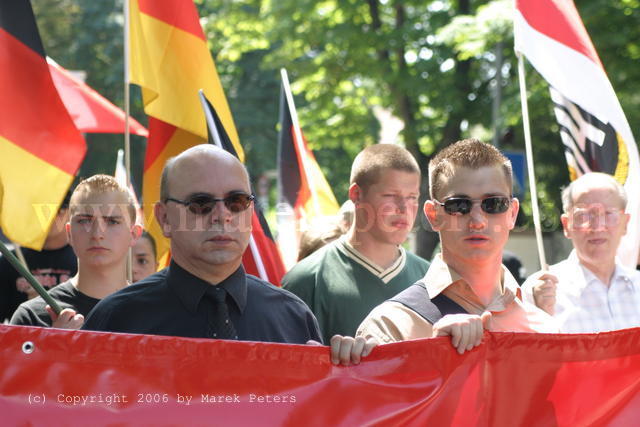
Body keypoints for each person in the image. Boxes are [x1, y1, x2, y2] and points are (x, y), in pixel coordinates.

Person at [82, 145, 375, 366]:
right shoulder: (116, 321)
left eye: (236, 201)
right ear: (165, 218)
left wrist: (350, 374)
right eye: (200, 203)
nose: (221, 216)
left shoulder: (293, 318)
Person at [357, 139, 557, 354]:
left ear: (512, 213)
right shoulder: (391, 327)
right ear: (433, 215)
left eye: (494, 204)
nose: (477, 220)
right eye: (459, 205)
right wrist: (434, 356)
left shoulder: (545, 330)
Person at [282, 144, 430, 343]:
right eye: (390, 196)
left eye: (412, 197)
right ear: (356, 195)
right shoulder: (308, 279)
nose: (404, 208)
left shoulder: (432, 279)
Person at [11, 175, 141, 328]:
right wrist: (53, 346)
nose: (97, 233)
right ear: (69, 233)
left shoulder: (155, 313)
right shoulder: (32, 317)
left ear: (133, 234)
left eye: (112, 221)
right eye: (84, 220)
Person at [522, 172, 640, 333]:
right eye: (584, 215)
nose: (597, 227)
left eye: (608, 214)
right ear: (566, 224)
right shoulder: (539, 291)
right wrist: (541, 316)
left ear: (625, 223)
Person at [0, 197, 78, 322]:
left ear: (71, 212)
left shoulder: (82, 259)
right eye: (41, 209)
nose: (50, 214)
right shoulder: (11, 261)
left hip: (71, 339)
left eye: (58, 208)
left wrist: (43, 305)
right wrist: (29, 309)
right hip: (22, 339)